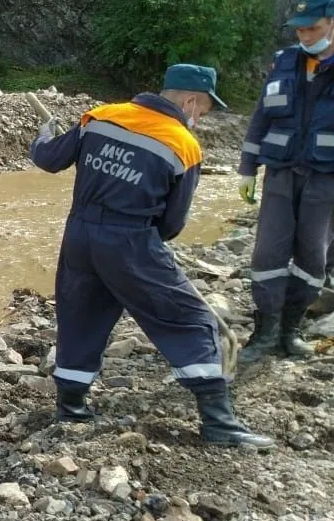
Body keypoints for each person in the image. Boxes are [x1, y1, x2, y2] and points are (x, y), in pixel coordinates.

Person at [30, 63, 273, 448]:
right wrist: (137, 253)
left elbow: (48, 158)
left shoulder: (101, 117)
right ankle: (219, 422)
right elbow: (172, 223)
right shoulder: (183, 145)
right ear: (191, 100)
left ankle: (71, 406)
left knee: (82, 313)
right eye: (205, 109)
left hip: (79, 235)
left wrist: (43, 135)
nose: (202, 117)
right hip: (131, 239)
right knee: (188, 318)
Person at [237, 0, 334, 362]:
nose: (305, 37)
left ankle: (291, 330)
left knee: (313, 255)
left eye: (313, 29)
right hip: (279, 173)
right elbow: (261, 115)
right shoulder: (284, 63)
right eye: (300, 31)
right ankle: (265, 332)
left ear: (331, 24)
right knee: (267, 253)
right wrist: (247, 168)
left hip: (326, 180)